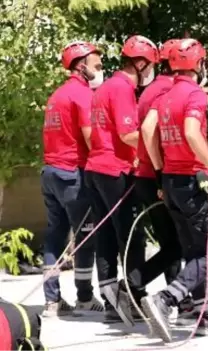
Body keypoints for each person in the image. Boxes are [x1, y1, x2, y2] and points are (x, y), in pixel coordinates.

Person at [139, 38, 208, 342]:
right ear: (198, 64)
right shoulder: (194, 94)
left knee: (193, 252)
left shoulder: (166, 94)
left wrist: (160, 171)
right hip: (192, 181)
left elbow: (148, 131)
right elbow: (190, 132)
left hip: (171, 180)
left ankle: (203, 314)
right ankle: (166, 299)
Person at [84, 34, 158, 325]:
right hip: (114, 171)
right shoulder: (122, 89)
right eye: (150, 65)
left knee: (106, 237)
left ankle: (112, 301)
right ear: (139, 63)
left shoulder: (104, 88)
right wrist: (159, 140)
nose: (151, 71)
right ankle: (135, 297)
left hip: (96, 169)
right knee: (131, 236)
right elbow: (128, 134)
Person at [40, 41, 105, 317]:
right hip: (72, 174)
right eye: (97, 66)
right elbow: (91, 137)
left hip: (50, 173)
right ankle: (85, 297)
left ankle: (52, 301)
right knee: (85, 235)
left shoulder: (56, 95)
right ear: (82, 67)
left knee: (55, 236)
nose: (101, 70)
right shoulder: (82, 95)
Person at [125, 38, 189, 318]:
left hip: (148, 175)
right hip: (157, 176)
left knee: (172, 244)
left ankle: (180, 300)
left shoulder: (153, 89)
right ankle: (130, 286)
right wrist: (162, 171)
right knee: (180, 245)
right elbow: (151, 130)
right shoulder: (167, 89)